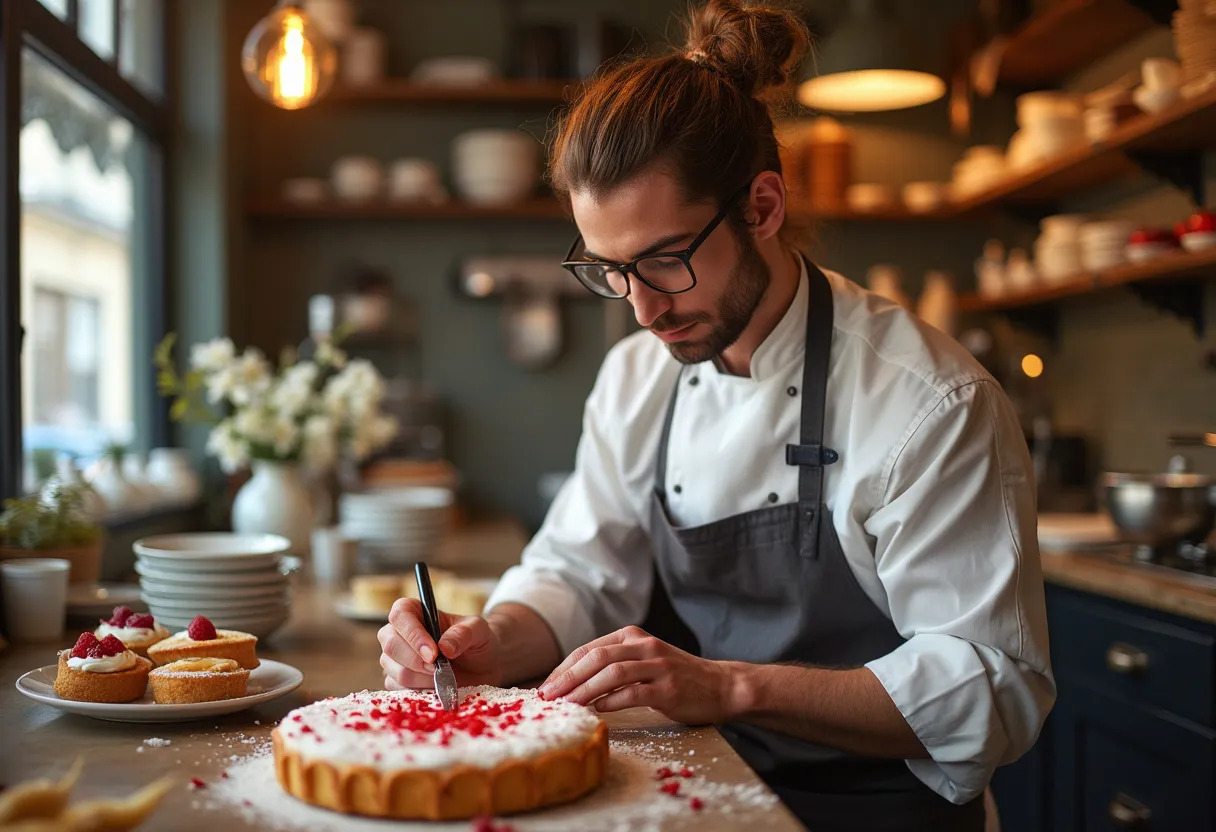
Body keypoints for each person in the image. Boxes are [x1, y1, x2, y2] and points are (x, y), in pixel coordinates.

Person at [378, 2, 1054, 829]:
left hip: (878, 812)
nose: (643, 310)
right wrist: (487, 640)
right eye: (613, 270)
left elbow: (995, 689)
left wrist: (728, 685)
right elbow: (582, 572)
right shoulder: (638, 377)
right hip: (707, 790)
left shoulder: (928, 403)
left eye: (666, 261)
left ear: (762, 207)